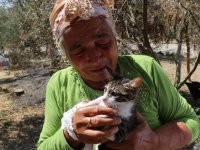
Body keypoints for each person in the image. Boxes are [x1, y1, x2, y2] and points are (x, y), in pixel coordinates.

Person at [37, 0, 200, 149]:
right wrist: (70, 133)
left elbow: (191, 123)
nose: (95, 58)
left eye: (102, 43)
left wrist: (155, 141)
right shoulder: (59, 84)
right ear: (66, 55)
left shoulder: (147, 69)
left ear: (115, 38)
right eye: (78, 51)